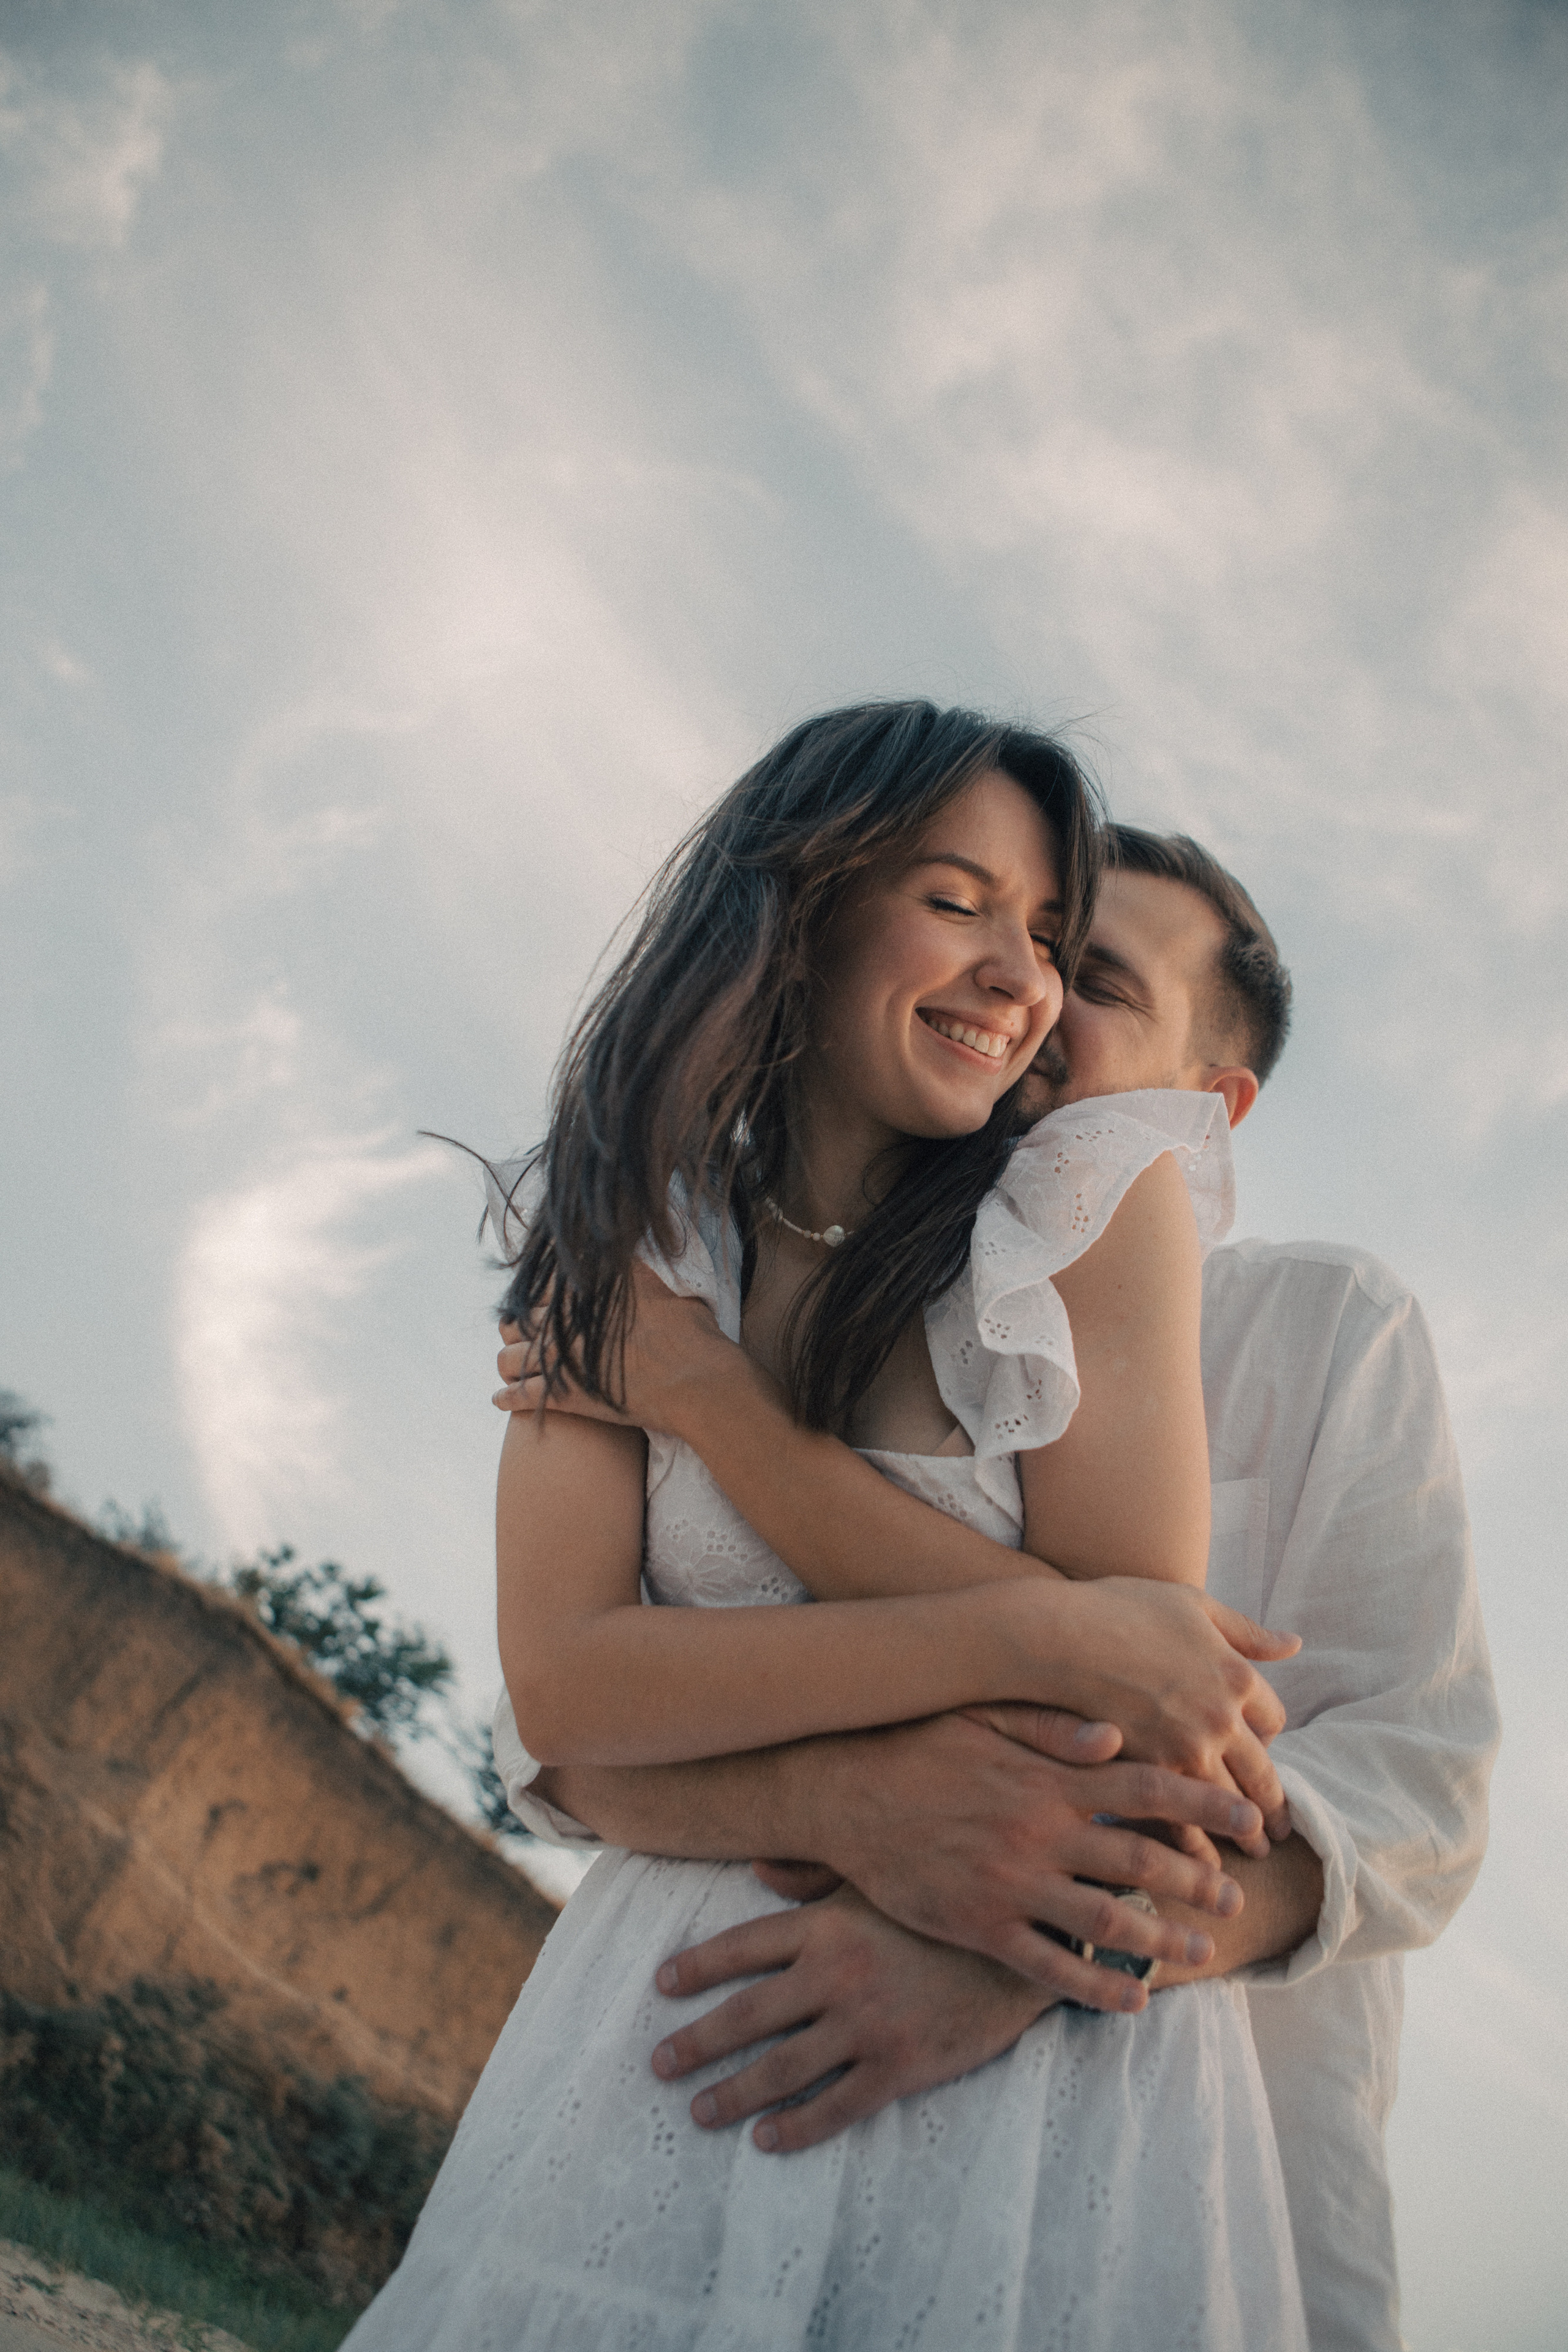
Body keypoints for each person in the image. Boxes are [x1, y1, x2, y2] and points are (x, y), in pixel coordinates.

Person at [346, 704, 1313, 2350]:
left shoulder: (1091, 1200)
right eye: (959, 899)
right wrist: (1039, 1626)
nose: (1027, 976)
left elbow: (1129, 1721)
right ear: (804, 903)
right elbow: (573, 1691)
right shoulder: (627, 1234)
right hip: (676, 2041)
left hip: (1027, 2098)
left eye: (1055, 937)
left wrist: (715, 1409)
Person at [496, 824, 1501, 2352]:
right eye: (1022, 940)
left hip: (1131, 2111)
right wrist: (842, 1805)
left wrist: (1023, 1953)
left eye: (1089, 972)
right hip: (731, 2031)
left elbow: (1412, 1787)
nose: (1026, 991)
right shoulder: (810, 1264)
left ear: (1209, 1102)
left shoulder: (1321, 1324)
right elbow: (567, 1734)